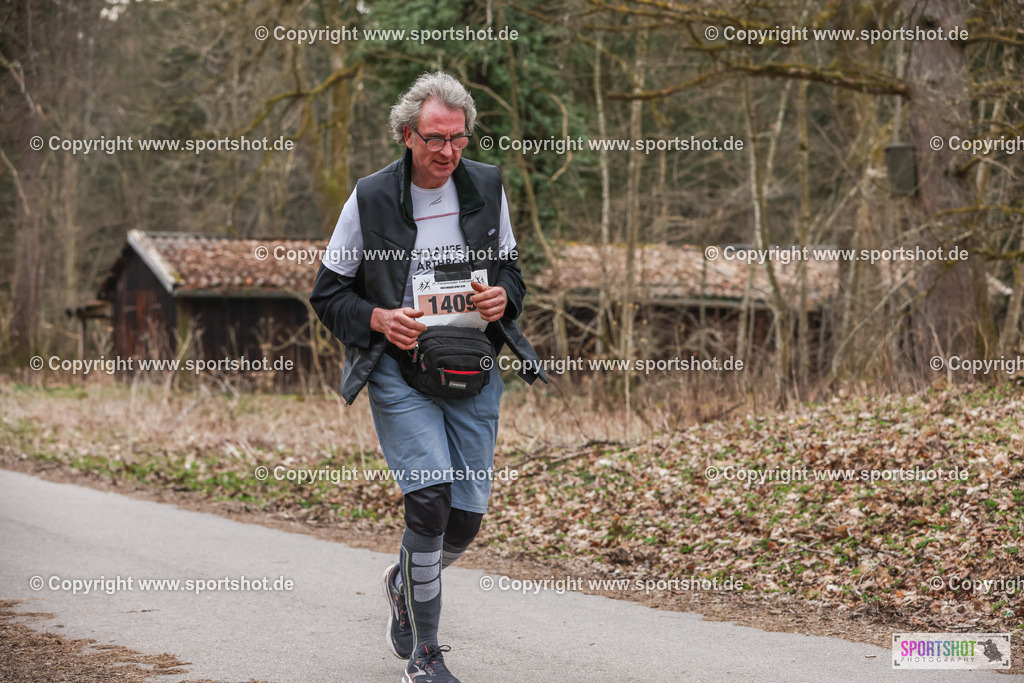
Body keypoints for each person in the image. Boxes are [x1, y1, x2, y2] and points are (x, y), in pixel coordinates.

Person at [310, 71, 546, 683]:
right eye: (436, 138)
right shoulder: (370, 199)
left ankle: (404, 582)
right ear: (407, 135)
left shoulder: (488, 187)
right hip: (398, 369)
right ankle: (426, 652)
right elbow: (328, 293)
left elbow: (513, 274)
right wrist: (379, 319)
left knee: (465, 518)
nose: (448, 152)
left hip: (473, 365)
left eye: (459, 139)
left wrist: (503, 300)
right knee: (431, 502)